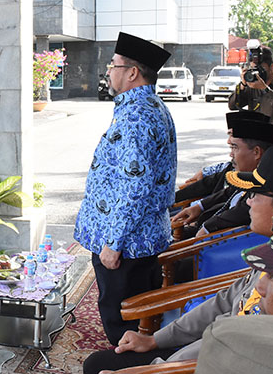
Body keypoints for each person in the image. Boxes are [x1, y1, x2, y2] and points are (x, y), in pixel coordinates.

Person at [82, 145, 273, 374]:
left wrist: (155, 369)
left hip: (212, 356)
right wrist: (156, 339)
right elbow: (226, 301)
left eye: (255, 194)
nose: (248, 202)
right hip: (208, 348)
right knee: (98, 363)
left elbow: (229, 346)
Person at [74, 32, 176, 345]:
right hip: (139, 239)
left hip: (126, 245)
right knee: (136, 319)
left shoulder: (138, 117)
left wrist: (113, 243)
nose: (109, 71)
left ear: (132, 72)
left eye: (114, 65)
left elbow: (135, 187)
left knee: (122, 327)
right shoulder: (147, 107)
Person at [172, 111, 273, 239]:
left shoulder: (266, 184)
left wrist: (206, 228)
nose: (231, 154)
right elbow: (226, 192)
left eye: (235, 147)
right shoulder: (245, 173)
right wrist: (198, 207)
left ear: (256, 152)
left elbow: (241, 211)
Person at [228, 45, 273, 145]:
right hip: (256, 145)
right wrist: (243, 85)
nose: (258, 73)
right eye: (254, 68)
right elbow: (232, 105)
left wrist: (265, 89)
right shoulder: (251, 84)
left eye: (261, 69)